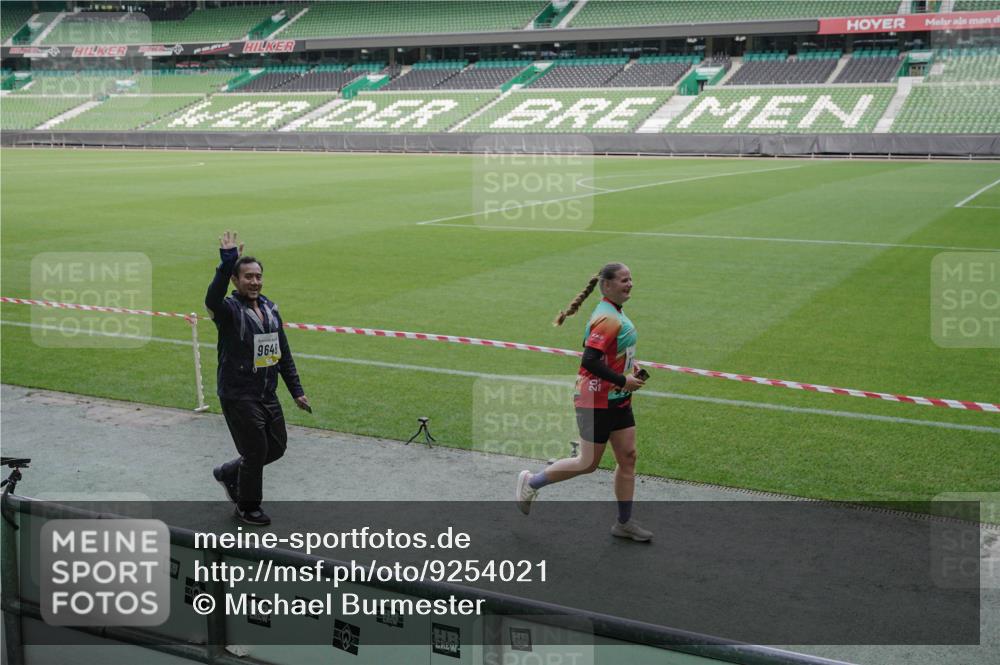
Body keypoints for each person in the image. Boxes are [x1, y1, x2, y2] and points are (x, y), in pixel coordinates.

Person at [516, 262, 651, 541]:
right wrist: (622, 379)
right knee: (587, 463)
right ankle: (531, 482)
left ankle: (624, 523)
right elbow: (589, 360)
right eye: (624, 280)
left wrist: (629, 367)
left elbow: (607, 353)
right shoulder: (606, 317)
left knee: (628, 457)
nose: (630, 284)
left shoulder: (614, 313)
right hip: (596, 399)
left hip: (617, 398)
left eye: (630, 279)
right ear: (607, 285)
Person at [206, 230, 309, 526]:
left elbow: (282, 352)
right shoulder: (228, 311)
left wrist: (296, 391)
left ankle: (229, 472)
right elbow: (212, 298)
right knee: (255, 451)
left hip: (267, 393)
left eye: (258, 276)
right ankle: (247, 507)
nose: (254, 281)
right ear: (235, 281)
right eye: (248, 276)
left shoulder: (270, 309)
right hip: (239, 394)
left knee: (276, 447)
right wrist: (227, 261)